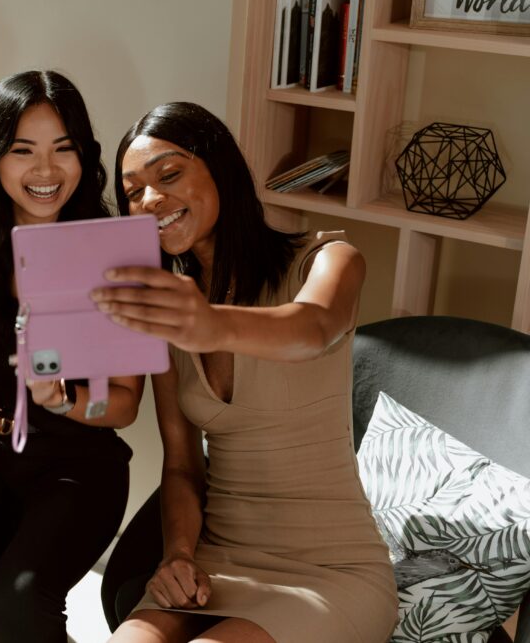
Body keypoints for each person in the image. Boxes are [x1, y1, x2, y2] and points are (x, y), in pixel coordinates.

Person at [94, 102, 398, 643]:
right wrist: (177, 557)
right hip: (217, 564)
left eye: (169, 175)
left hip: (333, 572)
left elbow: (311, 328)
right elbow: (183, 465)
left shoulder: (326, 260)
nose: (150, 200)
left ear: (222, 170)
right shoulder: (174, 313)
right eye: (133, 191)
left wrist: (211, 325)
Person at [0, 70, 145, 643]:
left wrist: (64, 400)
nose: (45, 172)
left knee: (19, 602)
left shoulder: (117, 248)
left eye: (63, 150)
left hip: (75, 462)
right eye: (24, 151)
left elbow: (122, 408)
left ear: (83, 155)